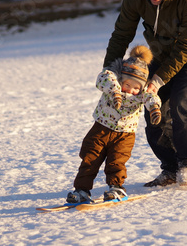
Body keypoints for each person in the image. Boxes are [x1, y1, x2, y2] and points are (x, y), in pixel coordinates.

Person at [102, 0, 187, 187]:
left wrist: (159, 79)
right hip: (158, 55)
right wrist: (109, 71)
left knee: (183, 104)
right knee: (154, 108)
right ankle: (170, 167)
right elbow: (122, 34)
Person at [66, 45, 162, 203]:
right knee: (90, 158)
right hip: (100, 129)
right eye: (127, 85)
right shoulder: (111, 82)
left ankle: (116, 188)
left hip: (125, 135)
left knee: (116, 161)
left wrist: (154, 109)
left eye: (136, 87)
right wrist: (115, 92)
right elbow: (104, 77)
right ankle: (82, 190)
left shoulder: (143, 93)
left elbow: (151, 97)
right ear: (121, 80)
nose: (131, 90)